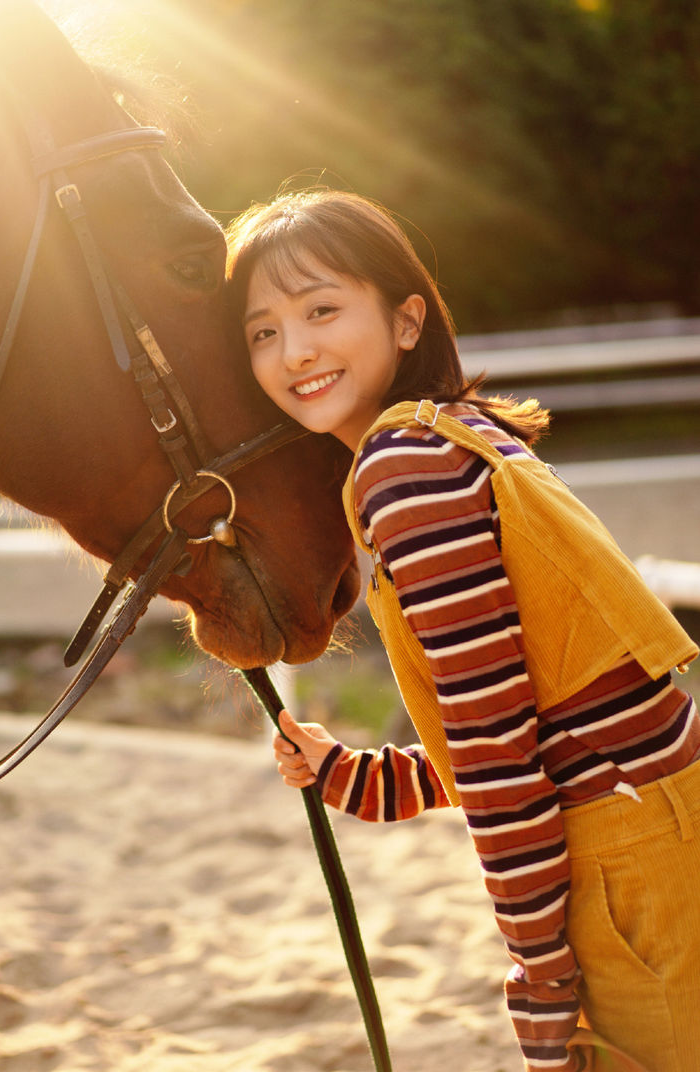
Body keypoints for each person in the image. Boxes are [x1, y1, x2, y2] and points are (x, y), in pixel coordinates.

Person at [225, 188, 700, 1072]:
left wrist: (541, 981)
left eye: (321, 310)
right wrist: (358, 777)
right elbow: (538, 715)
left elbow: (497, 752)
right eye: (262, 331)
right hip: (658, 816)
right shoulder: (457, 435)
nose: (294, 351)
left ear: (407, 320)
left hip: (629, 856)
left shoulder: (402, 468)